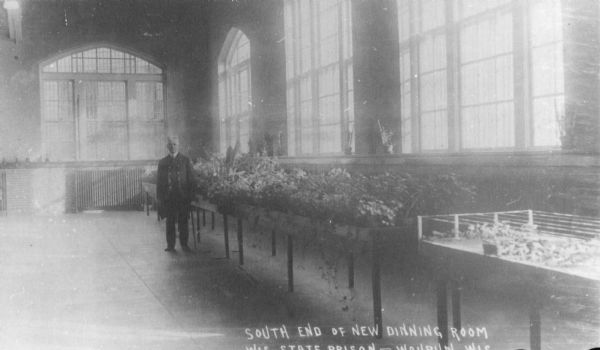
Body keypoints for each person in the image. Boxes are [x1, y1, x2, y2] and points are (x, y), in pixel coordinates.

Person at [156, 136, 196, 252]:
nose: (172, 147)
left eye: (174, 144)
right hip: (169, 197)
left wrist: (191, 196)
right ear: (167, 146)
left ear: (178, 145)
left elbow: (191, 179)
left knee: (183, 221)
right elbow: (159, 182)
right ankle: (170, 245)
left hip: (183, 196)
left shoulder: (185, 160)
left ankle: (184, 244)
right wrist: (160, 198)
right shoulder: (162, 162)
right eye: (170, 145)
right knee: (170, 221)